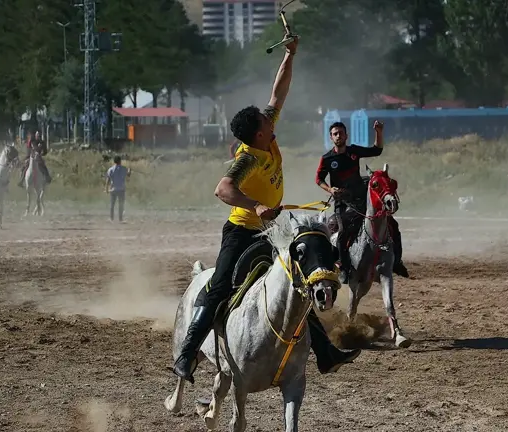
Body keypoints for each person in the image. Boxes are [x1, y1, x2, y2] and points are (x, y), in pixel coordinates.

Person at [172, 35, 361, 385]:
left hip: (274, 230)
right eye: (265, 121)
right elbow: (222, 189)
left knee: (299, 282)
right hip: (242, 231)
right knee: (218, 289)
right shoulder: (247, 158)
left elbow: (278, 93)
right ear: (258, 134)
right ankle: (186, 355)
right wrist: (255, 204)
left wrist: (290, 55)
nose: (271, 119)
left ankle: (326, 354)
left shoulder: (266, 136)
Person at [315, 121, 408, 284]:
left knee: (392, 225)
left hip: (362, 199)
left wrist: (379, 131)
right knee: (343, 233)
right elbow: (318, 179)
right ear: (331, 137)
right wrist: (330, 190)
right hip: (343, 203)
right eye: (335, 133)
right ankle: (344, 268)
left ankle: (397, 262)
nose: (338, 136)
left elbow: (377, 150)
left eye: (341, 133)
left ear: (346, 135)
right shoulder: (327, 159)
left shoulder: (354, 151)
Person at [105, 155, 131, 222]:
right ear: (120, 161)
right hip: (121, 189)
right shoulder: (124, 169)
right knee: (121, 205)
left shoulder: (110, 169)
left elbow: (108, 180)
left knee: (112, 205)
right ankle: (120, 219)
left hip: (113, 189)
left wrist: (106, 189)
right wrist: (129, 171)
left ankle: (111, 218)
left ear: (114, 161)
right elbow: (128, 176)